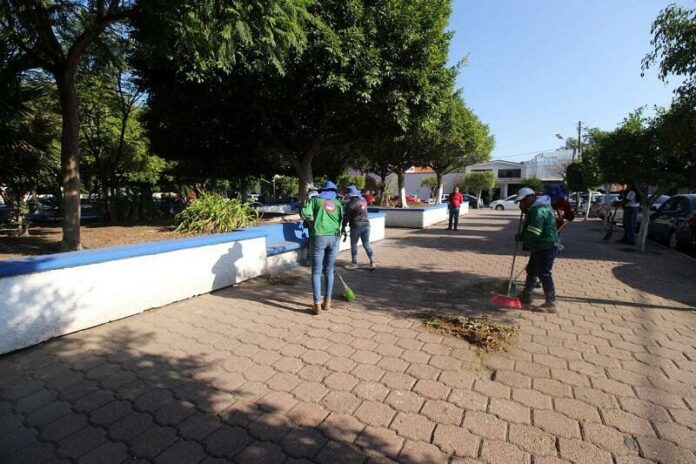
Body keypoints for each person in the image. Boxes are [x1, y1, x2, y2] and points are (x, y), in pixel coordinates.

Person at [301, 181, 343, 315]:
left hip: (318, 236)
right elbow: (341, 220)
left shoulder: (315, 200)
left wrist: (312, 218)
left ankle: (317, 304)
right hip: (334, 237)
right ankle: (328, 302)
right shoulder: (338, 203)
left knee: (317, 271)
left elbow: (304, 214)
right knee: (329, 271)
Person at [515, 187, 560, 313]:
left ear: (530, 197)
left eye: (522, 201)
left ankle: (551, 303)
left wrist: (521, 237)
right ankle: (526, 294)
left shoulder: (538, 211)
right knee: (532, 269)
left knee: (544, 273)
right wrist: (526, 211)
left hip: (545, 245)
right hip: (540, 246)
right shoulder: (538, 207)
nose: (521, 204)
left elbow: (534, 233)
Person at [342, 185, 376, 270]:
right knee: (366, 244)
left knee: (354, 245)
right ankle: (372, 262)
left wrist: (343, 227)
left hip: (356, 226)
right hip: (366, 225)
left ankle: (354, 263)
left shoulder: (350, 204)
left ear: (350, 195)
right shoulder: (363, 201)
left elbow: (346, 218)